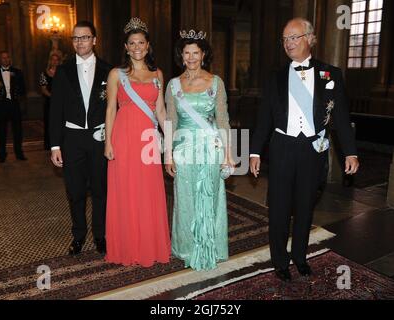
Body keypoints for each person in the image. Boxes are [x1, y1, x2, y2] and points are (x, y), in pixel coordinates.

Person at [250, 18, 359, 282]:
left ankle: (299, 256)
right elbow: (264, 117)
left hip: (313, 149)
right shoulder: (275, 77)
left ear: (309, 38)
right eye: (285, 39)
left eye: (294, 37)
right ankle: (279, 260)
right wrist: (254, 152)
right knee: (278, 207)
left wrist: (350, 152)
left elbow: (341, 117)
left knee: (304, 206)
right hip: (282, 147)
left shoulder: (331, 74)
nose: (288, 43)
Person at [165, 30, 234, 271]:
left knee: (210, 197)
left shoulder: (216, 82)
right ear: (181, 56)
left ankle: (210, 248)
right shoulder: (173, 85)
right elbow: (170, 121)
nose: (192, 57)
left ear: (203, 54)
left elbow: (223, 119)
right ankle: (187, 247)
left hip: (210, 148)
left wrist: (228, 153)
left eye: (196, 52)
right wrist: (167, 155)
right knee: (185, 200)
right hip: (183, 150)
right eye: (187, 53)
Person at [104, 17, 171, 267]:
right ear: (126, 46)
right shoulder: (116, 74)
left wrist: (171, 143)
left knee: (148, 191)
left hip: (148, 140)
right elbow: (110, 108)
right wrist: (108, 143)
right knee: (126, 191)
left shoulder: (158, 74)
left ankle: (149, 245)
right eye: (132, 43)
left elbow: (162, 111)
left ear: (148, 45)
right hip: (123, 138)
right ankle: (127, 247)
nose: (136, 47)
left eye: (141, 42)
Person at [49, 21, 112, 255]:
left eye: (84, 37)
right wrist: (55, 145)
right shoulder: (63, 71)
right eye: (75, 38)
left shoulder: (109, 70)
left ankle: (100, 235)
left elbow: (114, 108)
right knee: (74, 191)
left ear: (94, 40)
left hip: (99, 138)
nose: (80, 42)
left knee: (100, 190)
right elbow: (55, 110)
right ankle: (78, 235)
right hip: (72, 138)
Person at [0, 51, 26, 163]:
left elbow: (23, 88)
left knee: (18, 130)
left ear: (10, 59)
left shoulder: (17, 72)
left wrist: (17, 93)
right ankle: (2, 154)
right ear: (0, 59)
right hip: (1, 105)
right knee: (2, 131)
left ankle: (19, 153)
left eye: (7, 57)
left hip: (14, 104)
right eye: (3, 58)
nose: (5, 60)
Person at [39, 53, 62, 150]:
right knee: (49, 123)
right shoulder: (44, 73)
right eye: (53, 59)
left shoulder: (63, 73)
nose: (55, 62)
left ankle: (61, 143)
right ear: (50, 61)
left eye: (57, 60)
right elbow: (43, 89)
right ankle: (49, 145)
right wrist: (53, 97)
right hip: (50, 103)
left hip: (62, 103)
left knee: (61, 123)